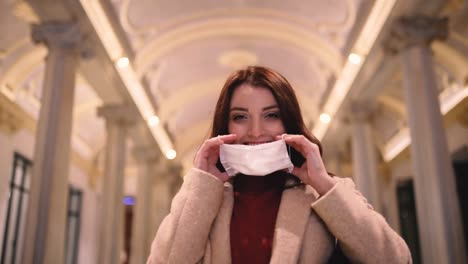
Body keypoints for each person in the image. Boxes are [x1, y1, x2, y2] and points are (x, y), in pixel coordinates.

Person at [147, 66, 412, 264]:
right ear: (225, 126)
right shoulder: (205, 196)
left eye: (271, 115)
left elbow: (396, 259)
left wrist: (322, 183)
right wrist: (202, 183)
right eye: (240, 117)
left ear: (288, 122)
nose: (255, 131)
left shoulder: (325, 192)